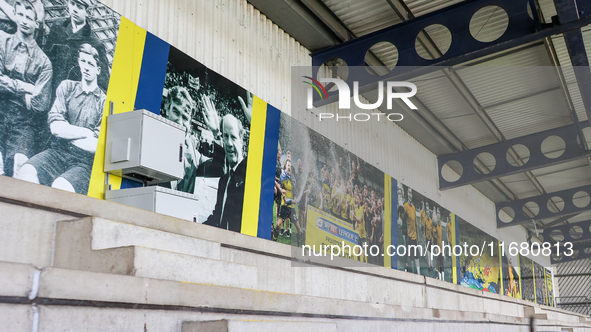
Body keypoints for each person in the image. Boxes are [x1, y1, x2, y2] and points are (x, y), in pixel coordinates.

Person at [16, 43, 104, 194]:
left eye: (91, 63)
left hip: (83, 162)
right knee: (26, 172)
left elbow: (95, 146)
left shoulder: (103, 101)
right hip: (57, 152)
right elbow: (55, 128)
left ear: (98, 69)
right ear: (78, 62)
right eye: (83, 61)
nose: (86, 67)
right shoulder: (67, 87)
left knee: (60, 187)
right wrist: (87, 132)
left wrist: (67, 132)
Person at [0, 0, 52, 177]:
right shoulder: (2, 41)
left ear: (37, 23)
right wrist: (25, 87)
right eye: (20, 15)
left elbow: (40, 103)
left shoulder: (44, 62)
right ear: (14, 15)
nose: (23, 21)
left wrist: (7, 83)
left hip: (23, 121)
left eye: (29, 18)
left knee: (20, 168)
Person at [43, 0, 109, 93]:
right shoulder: (57, 28)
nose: (74, 10)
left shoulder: (95, 43)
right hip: (52, 92)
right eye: (72, 4)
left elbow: (103, 85)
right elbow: (46, 61)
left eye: (79, 7)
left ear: (87, 11)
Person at [203, 114, 247, 233]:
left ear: (242, 139)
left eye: (233, 137)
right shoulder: (224, 180)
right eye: (225, 137)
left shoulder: (248, 173)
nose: (229, 143)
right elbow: (217, 218)